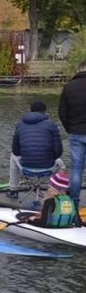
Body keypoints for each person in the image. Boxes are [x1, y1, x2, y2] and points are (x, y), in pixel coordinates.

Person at [7, 101, 65, 199]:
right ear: (44, 111)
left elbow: (16, 151)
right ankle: (56, 192)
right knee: (61, 165)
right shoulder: (51, 125)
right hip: (47, 167)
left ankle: (13, 190)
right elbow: (58, 151)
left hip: (25, 167)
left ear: (30, 110)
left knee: (13, 156)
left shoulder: (20, 125)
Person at [59, 60, 86, 216]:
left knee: (76, 169)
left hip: (76, 133)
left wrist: (69, 129)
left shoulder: (69, 87)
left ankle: (75, 203)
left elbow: (62, 112)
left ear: (79, 69)